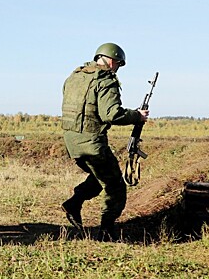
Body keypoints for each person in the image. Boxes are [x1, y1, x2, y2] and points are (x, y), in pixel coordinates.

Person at [61, 42, 149, 241]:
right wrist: (137, 116)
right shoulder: (106, 79)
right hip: (92, 143)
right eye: (118, 64)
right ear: (110, 60)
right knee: (115, 187)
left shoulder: (74, 77)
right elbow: (112, 114)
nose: (117, 68)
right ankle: (106, 232)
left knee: (100, 176)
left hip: (72, 142)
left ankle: (74, 203)